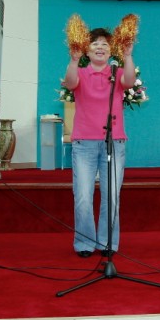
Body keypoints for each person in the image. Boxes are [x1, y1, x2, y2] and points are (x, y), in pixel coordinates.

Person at [64, 28, 136, 257]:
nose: (100, 47)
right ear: (87, 49)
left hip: (113, 143)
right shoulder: (80, 73)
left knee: (111, 196)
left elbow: (130, 81)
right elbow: (70, 83)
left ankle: (107, 243)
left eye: (105, 44)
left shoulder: (117, 72)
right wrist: (74, 60)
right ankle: (84, 242)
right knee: (83, 196)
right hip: (84, 143)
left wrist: (127, 55)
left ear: (111, 50)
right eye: (95, 43)